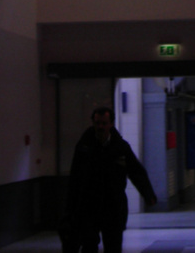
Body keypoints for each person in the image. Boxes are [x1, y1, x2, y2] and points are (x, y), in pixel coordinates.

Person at [65, 106, 157, 253]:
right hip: (89, 206)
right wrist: (70, 207)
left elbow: (135, 171)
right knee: (89, 245)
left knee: (113, 244)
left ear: (111, 124)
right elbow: (75, 177)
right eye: (97, 123)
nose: (100, 127)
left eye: (103, 123)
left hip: (113, 205)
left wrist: (148, 194)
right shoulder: (84, 147)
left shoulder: (120, 147)